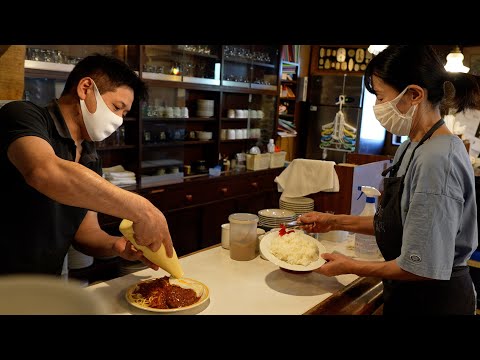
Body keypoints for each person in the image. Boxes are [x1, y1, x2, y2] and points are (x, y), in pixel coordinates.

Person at [299, 45, 480, 315]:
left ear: (415, 94)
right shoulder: (413, 145)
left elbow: (422, 265)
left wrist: (349, 265)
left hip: (433, 301)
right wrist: (333, 220)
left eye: (381, 97)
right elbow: (398, 224)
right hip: (406, 292)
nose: (378, 107)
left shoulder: (438, 159)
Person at [0, 53, 174, 275]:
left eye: (124, 113)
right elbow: (44, 171)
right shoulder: (23, 115)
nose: (119, 120)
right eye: (117, 106)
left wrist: (116, 245)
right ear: (85, 88)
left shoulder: (90, 156)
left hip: (45, 283)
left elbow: (85, 233)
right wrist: (141, 209)